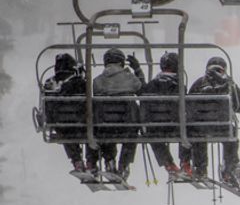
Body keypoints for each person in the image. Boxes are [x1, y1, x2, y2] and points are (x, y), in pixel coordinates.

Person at [184, 56, 240, 185]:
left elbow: (188, 105)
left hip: (200, 129)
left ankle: (201, 168)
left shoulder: (198, 84)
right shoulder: (229, 85)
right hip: (222, 129)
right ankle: (228, 169)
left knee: (198, 135)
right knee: (232, 135)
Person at [90, 47, 145, 180]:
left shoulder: (97, 81)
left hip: (105, 125)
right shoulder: (130, 78)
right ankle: (124, 164)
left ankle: (109, 161)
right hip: (127, 126)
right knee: (131, 133)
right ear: (121, 62)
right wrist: (137, 70)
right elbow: (142, 91)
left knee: (106, 130)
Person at [138, 51, 184, 177]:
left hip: (156, 128)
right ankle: (186, 162)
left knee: (152, 136)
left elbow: (143, 102)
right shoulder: (179, 86)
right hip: (175, 127)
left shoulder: (151, 85)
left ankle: (167, 162)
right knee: (188, 131)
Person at [42, 53, 88, 175]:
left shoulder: (50, 83)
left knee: (66, 132)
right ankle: (92, 162)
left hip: (61, 123)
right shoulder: (79, 83)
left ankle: (77, 161)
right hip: (81, 122)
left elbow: (47, 105)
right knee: (91, 130)